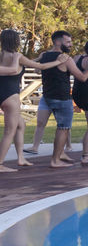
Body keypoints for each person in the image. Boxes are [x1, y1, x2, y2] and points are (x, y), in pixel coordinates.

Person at [0, 29, 68, 171]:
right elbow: (41, 67)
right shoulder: (17, 56)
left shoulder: (4, 56)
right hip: (11, 97)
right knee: (9, 131)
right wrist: (57, 61)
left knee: (20, 124)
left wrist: (39, 57)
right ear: (16, 41)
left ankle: (20, 158)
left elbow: (29, 63)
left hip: (2, 95)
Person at [32, 30, 88, 167]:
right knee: (63, 128)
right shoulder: (66, 58)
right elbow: (82, 78)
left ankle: (61, 154)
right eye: (68, 42)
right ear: (58, 42)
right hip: (61, 97)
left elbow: (37, 70)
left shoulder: (45, 56)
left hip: (47, 96)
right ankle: (55, 160)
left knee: (54, 126)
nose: (71, 45)